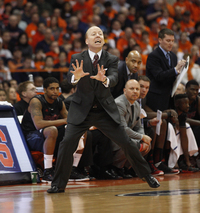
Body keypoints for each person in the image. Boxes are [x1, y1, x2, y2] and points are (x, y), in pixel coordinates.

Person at [48, 26, 159, 194]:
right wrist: (75, 77)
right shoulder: (77, 57)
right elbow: (70, 78)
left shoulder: (111, 59)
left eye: (100, 33)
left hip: (104, 111)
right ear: (87, 40)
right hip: (81, 111)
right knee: (66, 145)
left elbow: (114, 78)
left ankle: (146, 175)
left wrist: (105, 79)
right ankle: (58, 184)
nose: (98, 35)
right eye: (93, 34)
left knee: (127, 142)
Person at [113, 80, 152, 173]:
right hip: (114, 138)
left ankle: (126, 168)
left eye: (137, 89)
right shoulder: (119, 103)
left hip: (127, 136)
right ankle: (116, 168)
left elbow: (139, 127)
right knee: (132, 143)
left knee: (147, 145)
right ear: (124, 90)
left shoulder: (137, 104)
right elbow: (122, 129)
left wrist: (143, 139)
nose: (135, 91)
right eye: (132, 89)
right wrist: (142, 137)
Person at [146, 28, 186, 112]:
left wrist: (179, 73)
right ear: (160, 40)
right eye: (168, 40)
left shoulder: (173, 56)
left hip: (169, 95)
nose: (171, 43)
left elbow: (171, 75)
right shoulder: (153, 56)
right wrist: (175, 70)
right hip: (156, 97)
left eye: (172, 41)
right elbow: (159, 76)